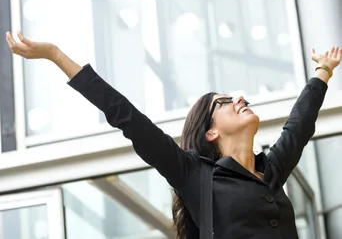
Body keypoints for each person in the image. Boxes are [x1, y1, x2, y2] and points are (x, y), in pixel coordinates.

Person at [6, 31, 341, 239]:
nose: (240, 98)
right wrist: (55, 55)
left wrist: (323, 71)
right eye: (225, 101)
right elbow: (127, 117)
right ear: (210, 132)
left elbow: (300, 123)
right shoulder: (194, 175)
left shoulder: (270, 170)